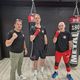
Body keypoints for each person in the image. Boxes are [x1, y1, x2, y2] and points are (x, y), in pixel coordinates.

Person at [30, 14, 48, 79]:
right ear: (34, 19)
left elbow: (45, 37)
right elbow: (31, 39)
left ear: (40, 19)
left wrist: (46, 45)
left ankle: (42, 70)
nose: (37, 19)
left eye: (38, 18)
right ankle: (35, 72)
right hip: (36, 48)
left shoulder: (43, 28)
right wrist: (36, 33)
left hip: (43, 47)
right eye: (36, 18)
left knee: (43, 59)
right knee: (35, 61)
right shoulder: (32, 28)